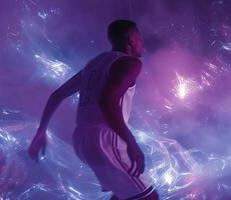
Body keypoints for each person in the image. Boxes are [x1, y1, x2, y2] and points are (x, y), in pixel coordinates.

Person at [27, 19, 158, 200]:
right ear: (131, 40)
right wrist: (131, 143)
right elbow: (107, 102)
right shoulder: (130, 63)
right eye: (140, 37)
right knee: (149, 197)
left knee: (122, 194)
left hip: (82, 140)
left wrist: (40, 132)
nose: (142, 43)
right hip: (106, 139)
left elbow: (57, 95)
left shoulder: (95, 64)